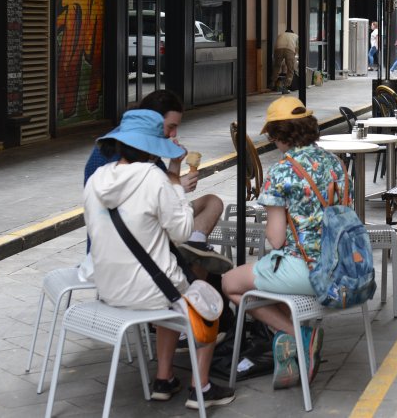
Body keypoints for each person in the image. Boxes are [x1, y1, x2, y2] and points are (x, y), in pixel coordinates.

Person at [84, 109, 235, 409]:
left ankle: (164, 379)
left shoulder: (97, 179)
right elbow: (183, 231)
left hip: (108, 289)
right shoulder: (154, 178)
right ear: (153, 149)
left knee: (173, 291)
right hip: (148, 291)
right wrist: (175, 180)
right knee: (206, 299)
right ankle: (202, 388)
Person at [222, 97, 348, 391]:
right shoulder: (337, 163)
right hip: (343, 267)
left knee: (231, 283)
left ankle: (298, 335)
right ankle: (295, 340)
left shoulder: (281, 172)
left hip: (308, 270)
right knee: (264, 279)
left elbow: (276, 239)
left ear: (278, 135)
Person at [83, 90, 230, 276]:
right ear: (153, 123)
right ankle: (193, 265)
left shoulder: (100, 176)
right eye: (171, 126)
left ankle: (195, 247)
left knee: (212, 202)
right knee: (198, 270)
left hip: (107, 266)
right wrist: (176, 186)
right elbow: (179, 228)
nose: (173, 134)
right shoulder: (146, 172)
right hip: (135, 252)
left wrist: (174, 166)